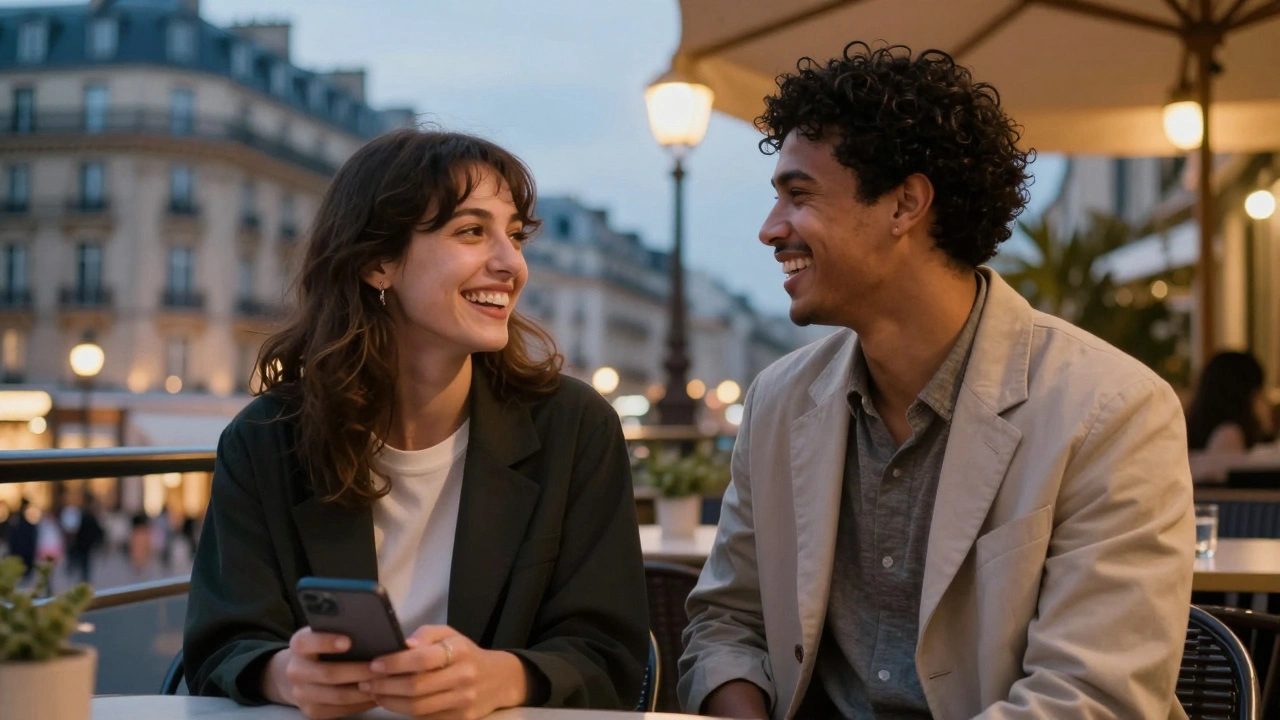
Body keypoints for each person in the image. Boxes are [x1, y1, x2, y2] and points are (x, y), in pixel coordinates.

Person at [678, 42, 1194, 720]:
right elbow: (727, 625)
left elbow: (1090, 698)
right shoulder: (779, 400)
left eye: (798, 195)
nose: (770, 230)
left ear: (905, 205)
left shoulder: (1111, 411)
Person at [184, 128, 648, 719]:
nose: (512, 264)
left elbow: (612, 653)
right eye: (473, 231)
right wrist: (286, 675)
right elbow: (220, 643)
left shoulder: (575, 428)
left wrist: (501, 678)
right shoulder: (268, 438)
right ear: (379, 261)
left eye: (515, 236)